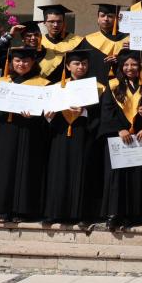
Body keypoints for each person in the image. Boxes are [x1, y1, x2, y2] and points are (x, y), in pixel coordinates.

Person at [0, 46, 50, 223]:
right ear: (11, 62)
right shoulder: (1, 83)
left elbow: (48, 113)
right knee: (2, 170)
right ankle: (0, 209)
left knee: (27, 169)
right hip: (3, 134)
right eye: (17, 60)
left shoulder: (43, 84)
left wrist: (37, 115)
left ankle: (23, 212)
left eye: (25, 60)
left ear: (33, 62)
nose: (21, 63)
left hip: (30, 134)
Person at [42, 49, 107, 226]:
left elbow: (103, 115)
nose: (81, 66)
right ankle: (55, 213)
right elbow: (46, 116)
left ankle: (83, 214)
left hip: (84, 135)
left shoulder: (98, 88)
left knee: (84, 173)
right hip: (61, 135)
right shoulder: (56, 88)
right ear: (68, 66)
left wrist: (85, 112)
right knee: (58, 172)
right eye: (76, 63)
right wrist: (48, 115)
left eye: (84, 63)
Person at [100, 49, 142, 231]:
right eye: (126, 64)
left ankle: (135, 214)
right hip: (119, 139)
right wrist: (118, 129)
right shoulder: (113, 85)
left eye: (134, 64)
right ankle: (114, 214)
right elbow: (106, 111)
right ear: (121, 66)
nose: (130, 68)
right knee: (116, 177)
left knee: (138, 176)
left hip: (141, 139)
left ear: (140, 66)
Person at [82, 3, 129, 84]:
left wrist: (121, 59)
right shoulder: (88, 40)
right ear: (98, 18)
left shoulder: (128, 39)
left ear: (117, 19)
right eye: (102, 16)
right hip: (95, 84)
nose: (106, 19)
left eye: (110, 16)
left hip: (122, 85)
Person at [37, 4, 85, 82]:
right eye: (51, 22)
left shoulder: (77, 41)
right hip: (42, 85)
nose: (55, 25)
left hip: (68, 85)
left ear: (64, 23)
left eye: (59, 22)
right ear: (44, 23)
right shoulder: (39, 42)